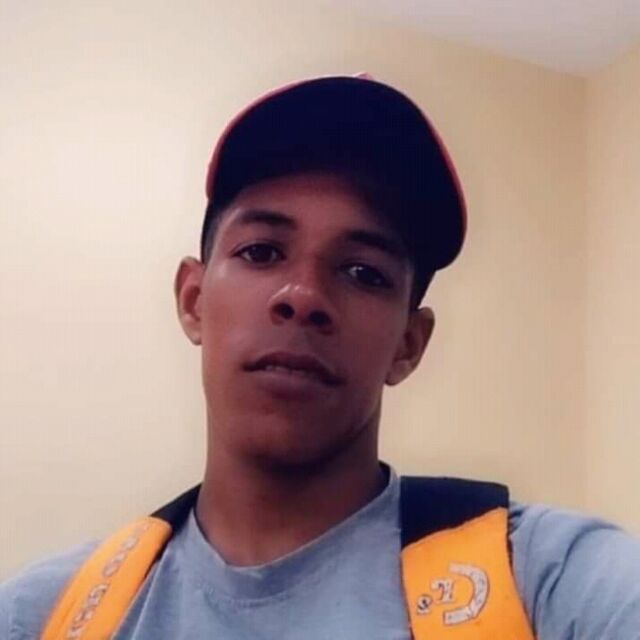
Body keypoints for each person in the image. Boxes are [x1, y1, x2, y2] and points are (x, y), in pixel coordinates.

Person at [1, 73, 639, 640]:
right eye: (261, 252)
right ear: (193, 299)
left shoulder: (548, 580)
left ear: (409, 344)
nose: (303, 296)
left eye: (363, 272)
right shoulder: (42, 615)